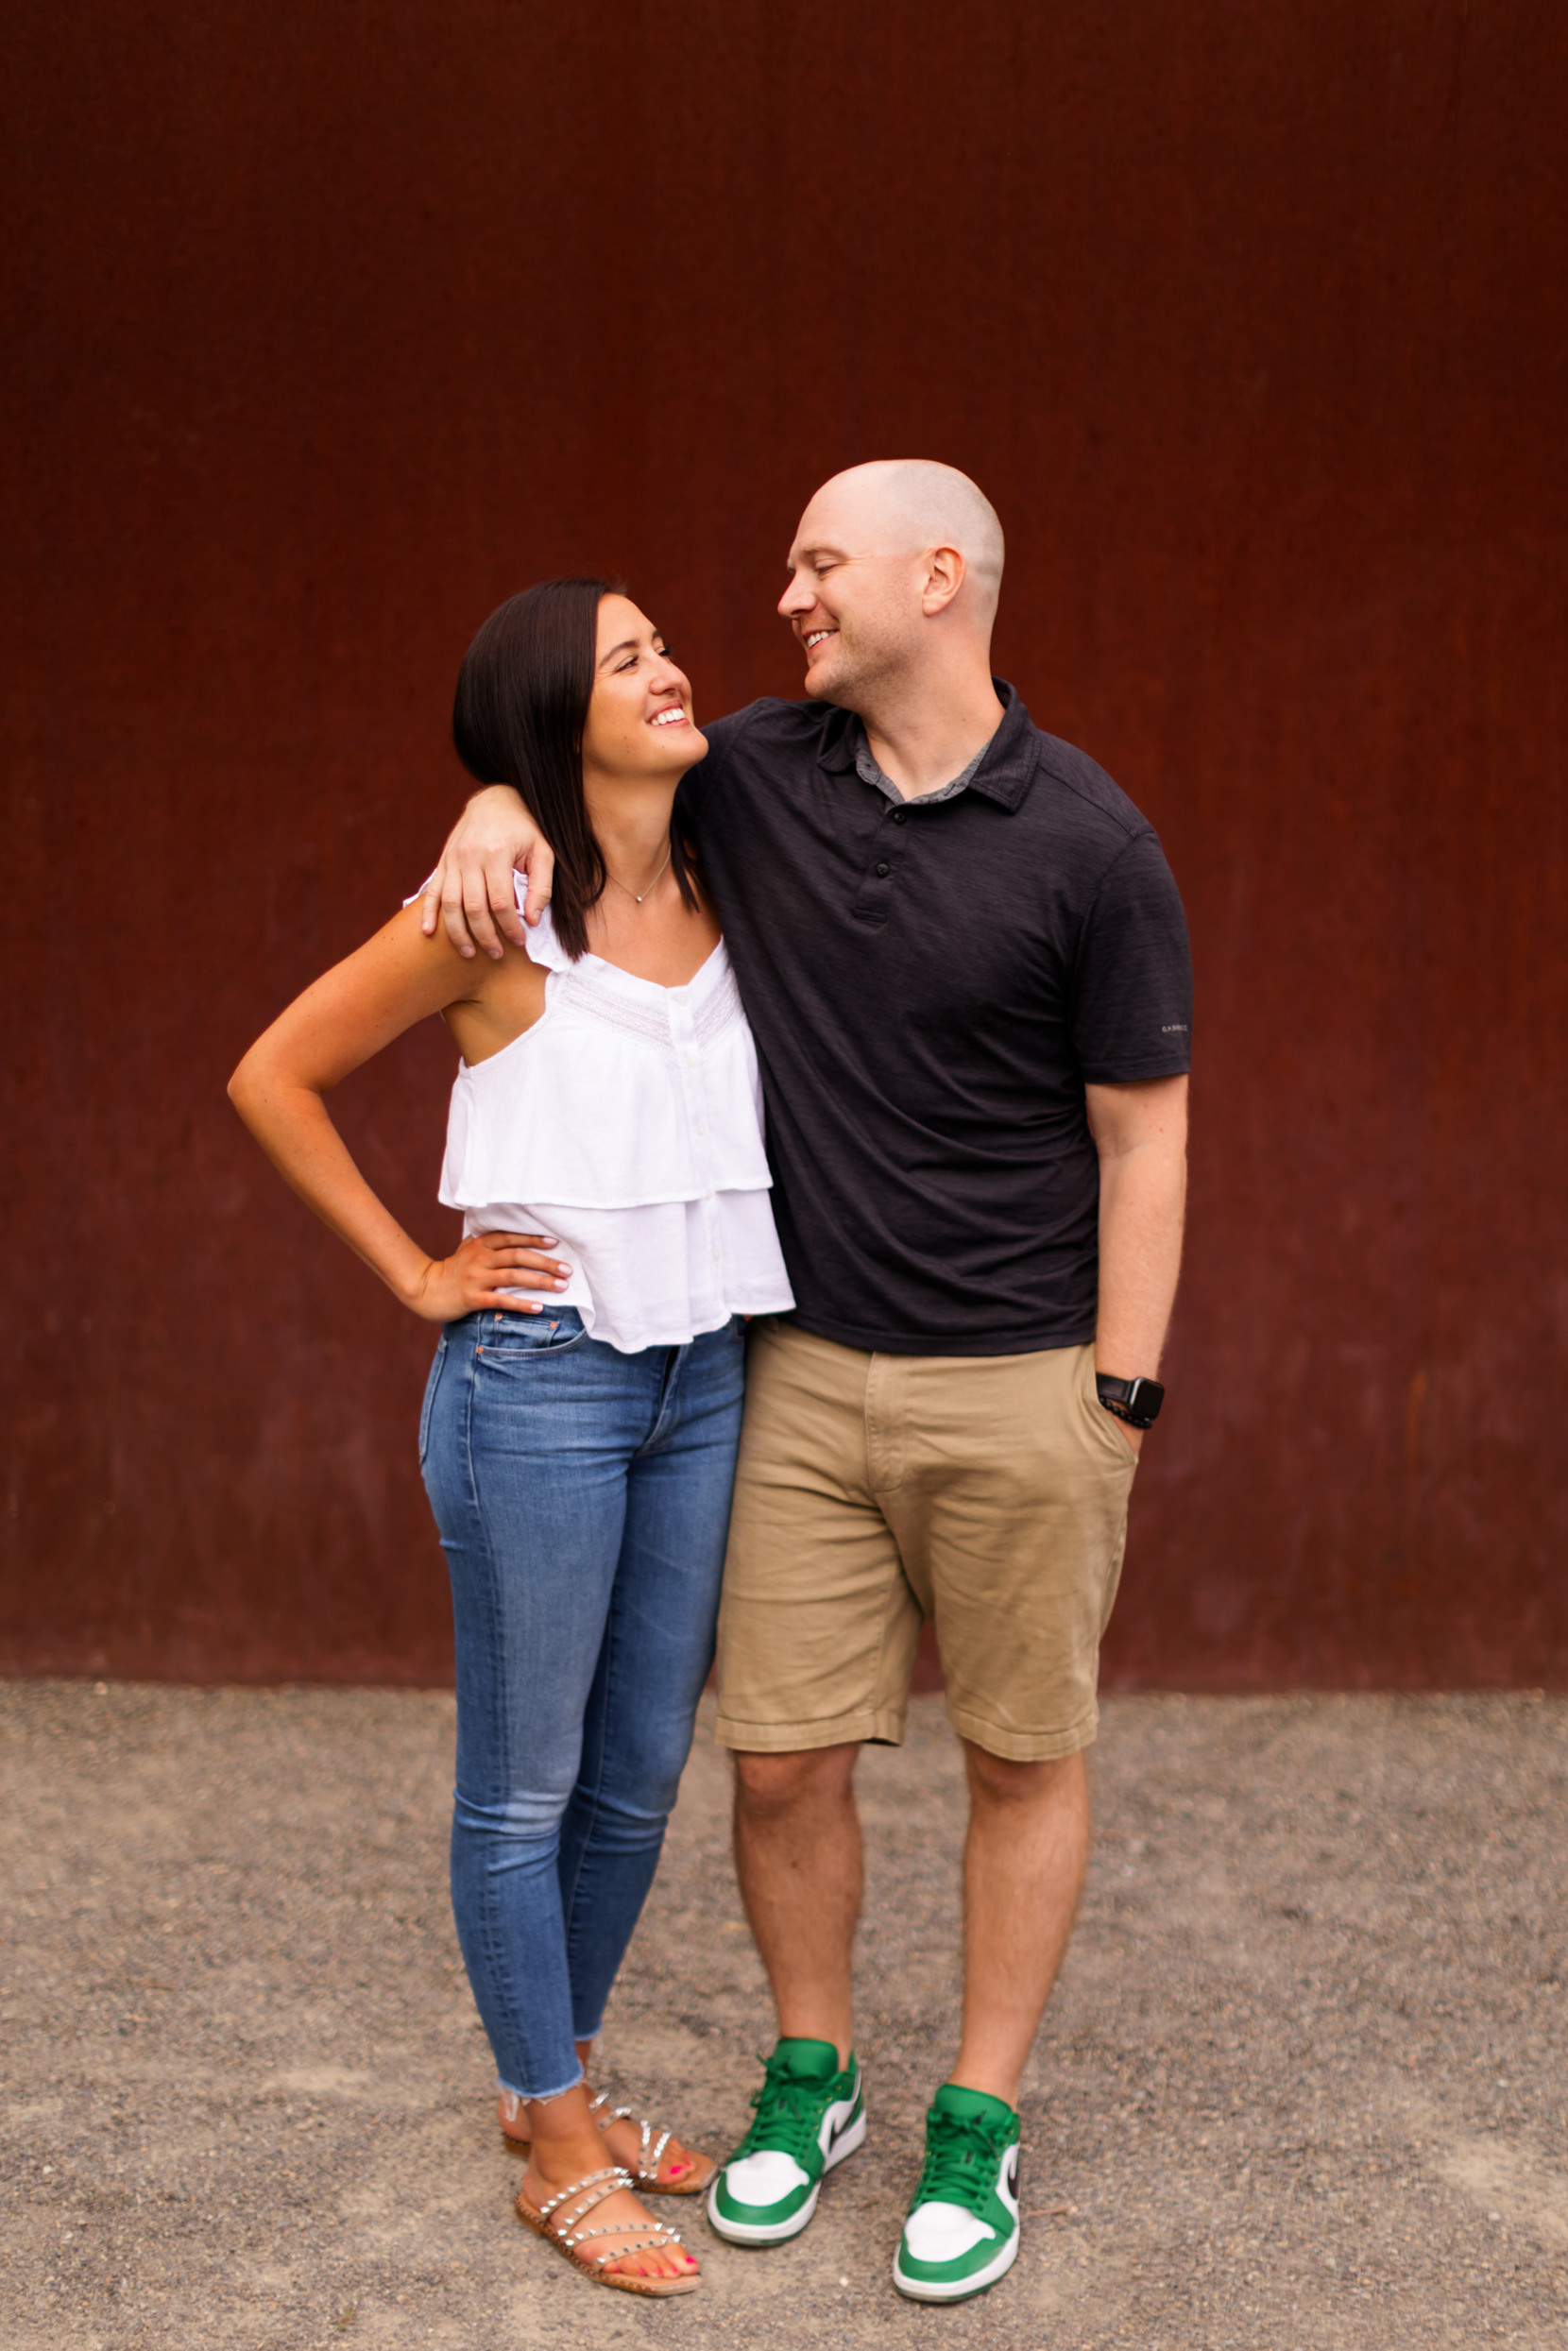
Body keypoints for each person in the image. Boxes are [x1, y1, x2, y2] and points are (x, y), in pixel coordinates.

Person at [422, 460, 1192, 2305]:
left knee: (1021, 1756)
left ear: (938, 580)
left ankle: (977, 2124)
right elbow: (568, 756)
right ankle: (808, 2078)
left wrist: (1119, 1400)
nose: (781, 595)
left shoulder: (1091, 844)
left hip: (1024, 1384)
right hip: (795, 1379)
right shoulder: (757, 773)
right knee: (773, 1768)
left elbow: (1141, 1137)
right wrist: (478, 803)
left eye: (815, 565)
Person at [229, 579, 794, 2298]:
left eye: (663, 641)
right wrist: (415, 1268)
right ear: (557, 719)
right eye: (627, 660)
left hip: (705, 1373)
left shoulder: (735, 872)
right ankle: (556, 2137)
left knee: (635, 1773)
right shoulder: (491, 918)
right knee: (524, 1783)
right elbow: (273, 1071)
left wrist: (497, 788)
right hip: (538, 1380)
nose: (674, 665)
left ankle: (550, 2071)